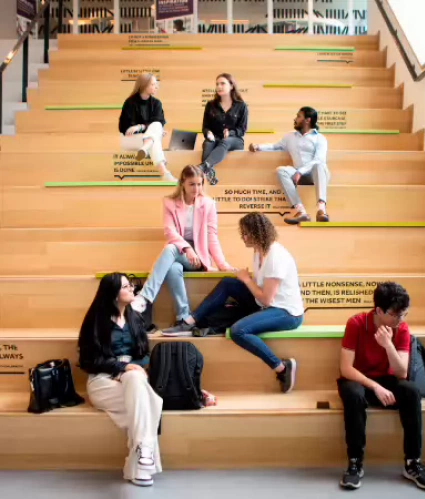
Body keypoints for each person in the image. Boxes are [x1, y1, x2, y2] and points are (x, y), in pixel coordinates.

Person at [164, 212, 304, 393]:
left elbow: (266, 298)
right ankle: (190, 321)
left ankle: (282, 368)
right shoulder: (258, 253)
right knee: (228, 283)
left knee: (238, 331)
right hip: (265, 305)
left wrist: (246, 280)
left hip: (286, 313)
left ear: (258, 232)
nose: (243, 237)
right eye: (242, 233)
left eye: (246, 233)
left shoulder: (276, 256)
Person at [337, 282, 425, 491]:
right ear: (379, 311)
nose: (400, 320)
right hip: (359, 380)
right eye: (395, 315)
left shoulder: (401, 328)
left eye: (404, 314)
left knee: (411, 392)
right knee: (353, 394)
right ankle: (355, 463)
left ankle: (413, 463)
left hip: (387, 381)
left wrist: (388, 345)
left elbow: (401, 372)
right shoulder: (356, 323)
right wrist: (375, 387)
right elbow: (346, 368)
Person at [78, 272, 163, 487]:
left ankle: (141, 457)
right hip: (102, 382)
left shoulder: (135, 318)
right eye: (126, 286)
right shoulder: (96, 321)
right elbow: (88, 360)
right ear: (114, 294)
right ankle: (142, 463)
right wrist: (121, 369)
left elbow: (144, 353)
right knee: (150, 403)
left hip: (132, 382)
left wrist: (132, 370)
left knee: (136, 383)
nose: (132, 288)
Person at [132, 165, 233, 331]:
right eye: (192, 184)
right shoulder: (170, 203)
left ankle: (145, 297)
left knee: (170, 249)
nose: (196, 188)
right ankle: (182, 317)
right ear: (182, 183)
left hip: (197, 257)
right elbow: (169, 232)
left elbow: (212, 237)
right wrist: (186, 248)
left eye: (200, 184)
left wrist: (222, 265)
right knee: (173, 267)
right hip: (179, 252)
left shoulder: (208, 204)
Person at [249, 107, 330, 225]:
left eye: (298, 116)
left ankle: (321, 210)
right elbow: (275, 146)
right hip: (297, 173)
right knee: (281, 170)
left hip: (315, 174)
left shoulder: (320, 138)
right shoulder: (289, 136)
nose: (295, 119)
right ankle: (300, 212)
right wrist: (258, 147)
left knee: (319, 165)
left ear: (307, 120)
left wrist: (300, 171)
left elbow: (319, 159)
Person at [119, 73, 175, 182]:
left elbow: (159, 121)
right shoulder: (130, 103)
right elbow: (124, 127)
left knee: (157, 126)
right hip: (131, 140)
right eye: (153, 84)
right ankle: (165, 174)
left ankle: (162, 170)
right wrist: (154, 130)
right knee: (155, 132)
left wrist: (140, 127)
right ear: (144, 85)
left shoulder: (156, 103)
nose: (156, 87)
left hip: (145, 141)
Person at [199, 73, 248, 186]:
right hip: (215, 138)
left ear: (231, 86)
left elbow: (242, 129)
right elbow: (205, 126)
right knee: (207, 143)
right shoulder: (211, 105)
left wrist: (230, 132)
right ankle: (209, 173)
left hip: (234, 140)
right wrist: (208, 133)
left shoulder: (241, 106)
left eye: (222, 83)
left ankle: (202, 167)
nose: (219, 86)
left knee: (225, 141)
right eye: (217, 84)